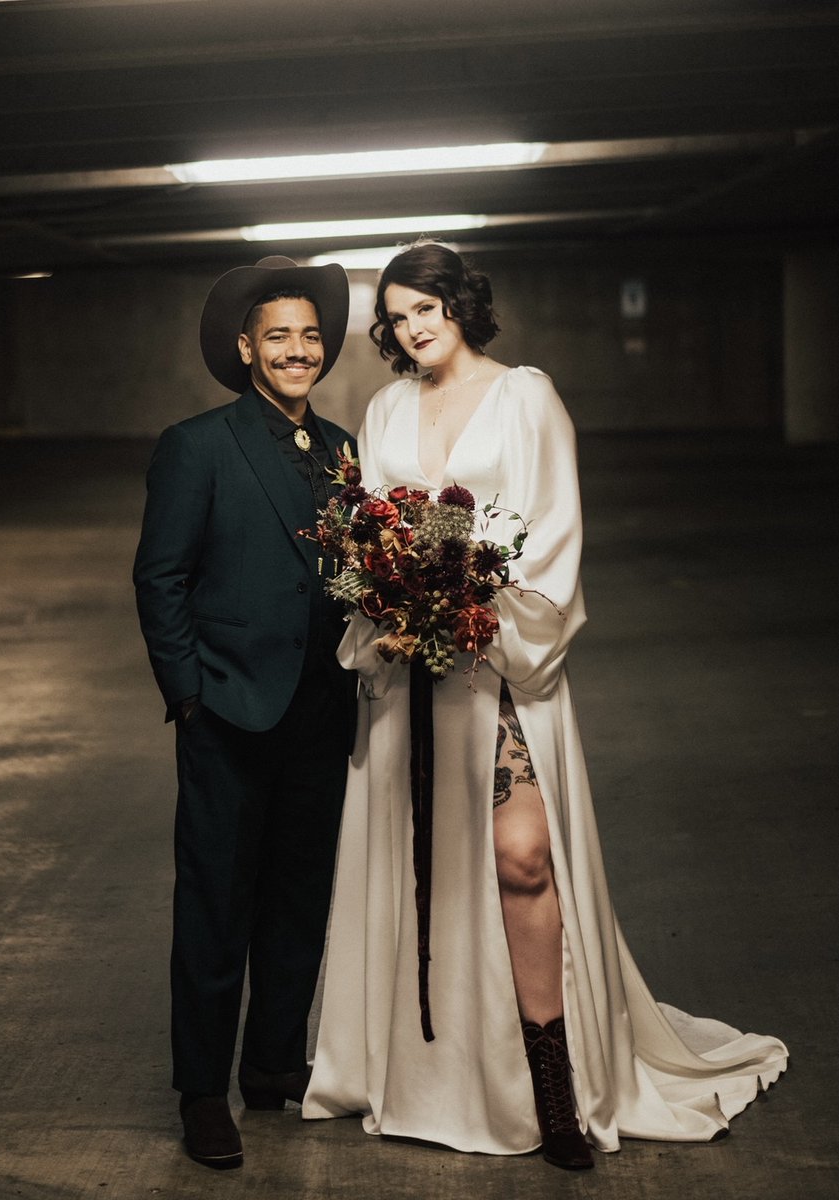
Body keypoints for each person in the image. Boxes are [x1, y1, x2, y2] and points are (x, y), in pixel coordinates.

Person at [302, 242, 787, 1169]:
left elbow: (552, 532)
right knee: (425, 871)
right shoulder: (385, 405)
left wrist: (478, 612)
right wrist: (390, 603)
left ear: (462, 306)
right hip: (410, 668)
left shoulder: (527, 395)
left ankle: (553, 1095)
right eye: (398, 314)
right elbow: (371, 526)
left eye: (428, 307)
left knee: (523, 860)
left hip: (498, 663)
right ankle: (427, 1076)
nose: (415, 326)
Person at [133, 255, 356, 1171]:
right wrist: (190, 695)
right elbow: (161, 577)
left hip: (321, 710)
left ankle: (272, 1069)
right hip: (228, 710)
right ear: (244, 349)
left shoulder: (341, 447)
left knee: (299, 901)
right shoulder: (198, 444)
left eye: (310, 335)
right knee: (217, 906)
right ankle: (201, 1093)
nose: (297, 350)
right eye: (279, 337)